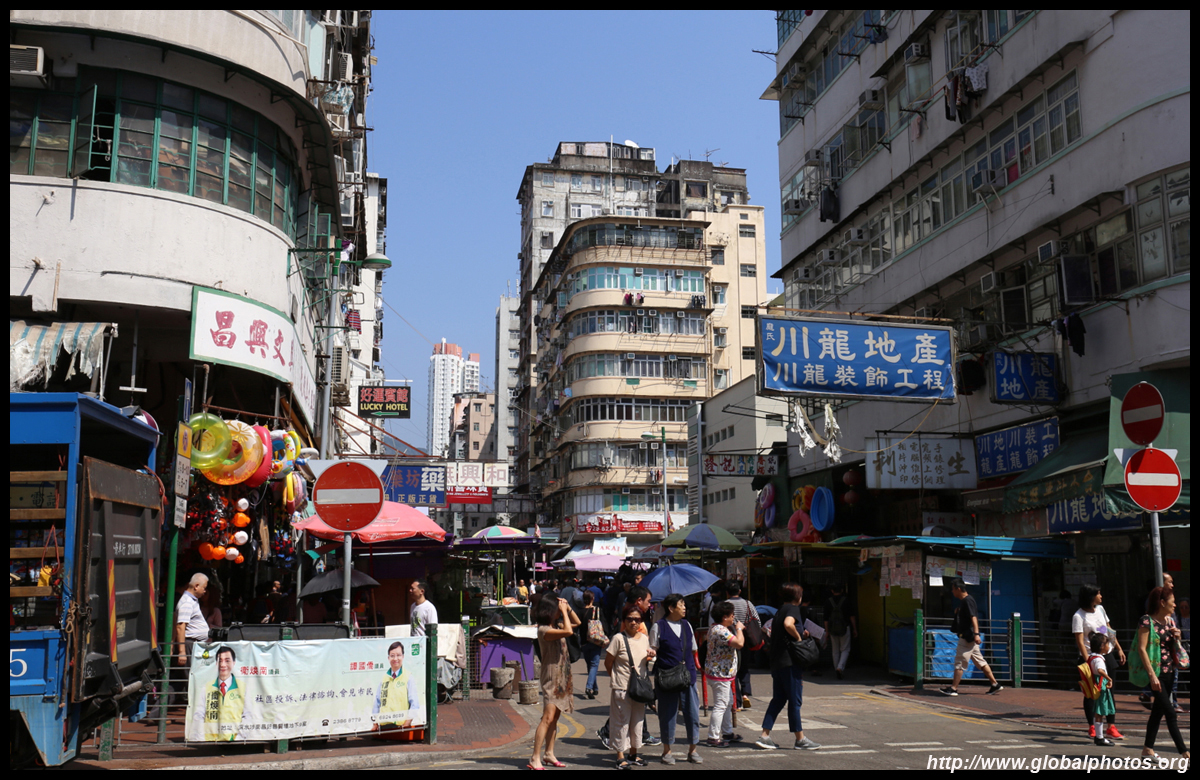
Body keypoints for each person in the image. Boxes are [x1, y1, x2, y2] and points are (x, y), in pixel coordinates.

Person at [756, 582, 821, 751]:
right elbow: (788, 624)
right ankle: (800, 739)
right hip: (790, 663)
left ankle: (764, 735)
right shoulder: (793, 610)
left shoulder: (779, 611)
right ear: (797, 597)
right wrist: (800, 638)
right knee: (795, 700)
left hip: (777, 662)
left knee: (778, 699)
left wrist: (801, 633)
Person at [1136, 586, 1188, 760]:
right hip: (1156, 674)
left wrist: (1178, 636)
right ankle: (1185, 753)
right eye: (1172, 602)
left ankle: (1147, 750)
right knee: (1170, 713)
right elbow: (1142, 649)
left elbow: (1173, 646)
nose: (1175, 606)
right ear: (1162, 602)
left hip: (1169, 672)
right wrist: (1151, 675)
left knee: (1157, 712)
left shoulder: (1170, 621)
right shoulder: (1146, 621)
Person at [650, 593, 702, 764]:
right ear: (671, 608)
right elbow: (652, 651)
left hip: (688, 676)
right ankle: (667, 751)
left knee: (692, 714)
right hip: (666, 677)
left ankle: (693, 750)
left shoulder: (687, 625)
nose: (685, 607)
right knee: (668, 714)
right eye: (681, 604)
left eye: (684, 604)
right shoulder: (659, 626)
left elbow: (693, 650)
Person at [530, 595, 579, 770]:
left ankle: (549, 753)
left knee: (555, 718)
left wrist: (568, 608)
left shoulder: (555, 626)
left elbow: (577, 623)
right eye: (557, 609)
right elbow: (569, 631)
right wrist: (565, 611)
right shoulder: (544, 630)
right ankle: (535, 757)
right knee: (548, 718)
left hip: (562, 677)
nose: (560, 611)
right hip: (552, 678)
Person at [1072, 583, 1125, 740]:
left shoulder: (1100, 610)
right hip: (1091, 657)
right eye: (1098, 593)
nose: (1101, 596)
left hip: (1106, 654)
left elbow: (1108, 630)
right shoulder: (1078, 616)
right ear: (1090, 597)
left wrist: (1118, 648)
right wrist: (1088, 661)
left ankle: (1111, 726)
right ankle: (1092, 726)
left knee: (1109, 690)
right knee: (1091, 692)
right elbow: (1080, 641)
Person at [606, 603, 655, 769]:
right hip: (622, 687)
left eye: (637, 619)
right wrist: (616, 678)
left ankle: (634, 753)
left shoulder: (644, 639)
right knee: (621, 722)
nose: (633, 622)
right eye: (630, 619)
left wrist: (651, 655)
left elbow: (643, 659)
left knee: (637, 722)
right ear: (624, 620)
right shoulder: (618, 639)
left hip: (639, 688)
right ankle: (620, 755)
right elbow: (608, 663)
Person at [940, 578, 1003, 697]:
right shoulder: (966, 601)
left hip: (967, 637)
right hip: (970, 638)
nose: (952, 592)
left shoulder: (967, 601)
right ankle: (995, 684)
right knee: (980, 661)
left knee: (960, 662)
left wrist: (976, 634)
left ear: (958, 589)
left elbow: (973, 617)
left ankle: (953, 688)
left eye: (953, 589)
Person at [705, 600, 744, 747]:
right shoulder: (720, 630)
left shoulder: (716, 628)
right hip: (719, 674)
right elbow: (739, 643)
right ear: (725, 616)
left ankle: (727, 732)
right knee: (721, 705)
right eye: (732, 615)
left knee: (727, 703)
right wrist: (739, 629)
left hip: (722, 673)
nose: (734, 618)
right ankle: (713, 737)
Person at [194, 645, 244, 741]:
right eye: (220, 661)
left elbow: (248, 715)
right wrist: (201, 737)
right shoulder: (206, 687)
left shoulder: (243, 687)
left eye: (227, 660)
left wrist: (238, 738)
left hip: (236, 738)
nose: (223, 665)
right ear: (216, 663)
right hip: (210, 739)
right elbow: (198, 714)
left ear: (234, 663)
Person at [725, 580, 759, 708]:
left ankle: (737, 701)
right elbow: (757, 620)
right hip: (745, 639)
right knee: (744, 667)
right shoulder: (747, 603)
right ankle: (745, 693)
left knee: (733, 669)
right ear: (739, 591)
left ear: (727, 592)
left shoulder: (725, 605)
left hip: (730, 640)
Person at [373, 640, 421, 730]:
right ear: (388, 658)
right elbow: (377, 702)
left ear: (403, 657)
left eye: (398, 655)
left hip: (401, 727)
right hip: (383, 728)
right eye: (392, 656)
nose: (395, 659)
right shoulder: (384, 678)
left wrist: (407, 722)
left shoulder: (408, 677)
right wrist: (375, 723)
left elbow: (414, 703)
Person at [1086, 634, 1117, 747]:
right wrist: (1109, 678)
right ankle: (1100, 738)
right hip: (1101, 687)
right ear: (1102, 646)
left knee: (1098, 712)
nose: (1109, 646)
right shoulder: (1099, 659)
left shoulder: (1091, 657)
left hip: (1096, 686)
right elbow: (1100, 670)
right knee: (1100, 711)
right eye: (1107, 644)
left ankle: (1099, 736)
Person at [174, 573, 210, 672]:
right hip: (189, 644)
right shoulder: (187, 602)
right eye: (204, 587)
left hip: (193, 644)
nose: (205, 591)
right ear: (196, 586)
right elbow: (180, 627)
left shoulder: (192, 600)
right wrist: (182, 652)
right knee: (190, 677)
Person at [823, 581, 857, 679]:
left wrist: (827, 631)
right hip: (845, 627)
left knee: (835, 650)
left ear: (832, 590)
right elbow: (852, 616)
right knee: (845, 649)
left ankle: (836, 668)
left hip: (832, 628)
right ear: (842, 590)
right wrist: (854, 629)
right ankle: (840, 668)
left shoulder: (828, 602)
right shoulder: (846, 601)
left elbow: (825, 618)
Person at [581, 590, 606, 699]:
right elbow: (604, 624)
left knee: (590, 665)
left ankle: (594, 688)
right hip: (596, 641)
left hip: (584, 641)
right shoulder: (597, 610)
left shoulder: (579, 611)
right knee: (594, 664)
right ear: (592, 598)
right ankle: (589, 687)